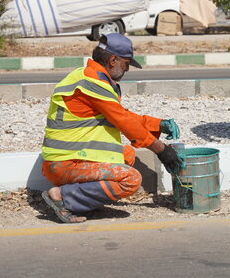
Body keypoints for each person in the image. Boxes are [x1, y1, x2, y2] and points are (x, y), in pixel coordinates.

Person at [40, 33, 185, 223]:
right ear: (113, 60)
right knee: (131, 179)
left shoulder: (88, 76)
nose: (127, 70)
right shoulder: (93, 82)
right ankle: (62, 197)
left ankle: (83, 197)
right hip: (64, 163)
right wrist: (161, 149)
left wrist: (158, 124)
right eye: (126, 64)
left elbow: (123, 115)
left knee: (127, 155)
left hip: (69, 156)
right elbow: (123, 120)